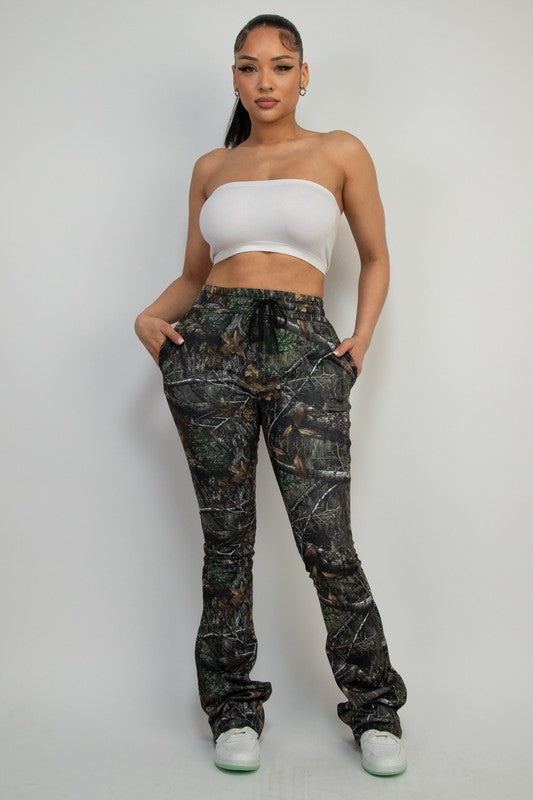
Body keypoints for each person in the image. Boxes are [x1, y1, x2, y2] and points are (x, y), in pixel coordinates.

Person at [134, 13, 408, 777]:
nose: (265, 81)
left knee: (327, 541)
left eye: (281, 66)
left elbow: (376, 256)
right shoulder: (211, 168)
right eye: (249, 66)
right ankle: (231, 708)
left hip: (303, 349)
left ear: (302, 75)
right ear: (233, 76)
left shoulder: (339, 151)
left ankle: (374, 709)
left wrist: (361, 336)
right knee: (227, 542)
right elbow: (194, 275)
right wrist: (150, 316)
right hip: (209, 350)